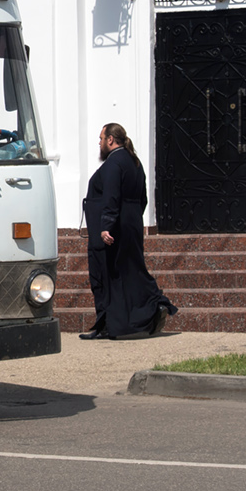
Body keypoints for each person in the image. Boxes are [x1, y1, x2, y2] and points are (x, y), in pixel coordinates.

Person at [80, 122, 178, 340]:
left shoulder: (114, 163)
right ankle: (123, 319)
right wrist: (130, 220)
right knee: (131, 272)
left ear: (110, 140)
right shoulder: (134, 162)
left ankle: (112, 321)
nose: (99, 143)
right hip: (130, 225)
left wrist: (106, 226)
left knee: (105, 274)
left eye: (101, 138)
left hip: (112, 229)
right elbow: (141, 198)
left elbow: (112, 196)